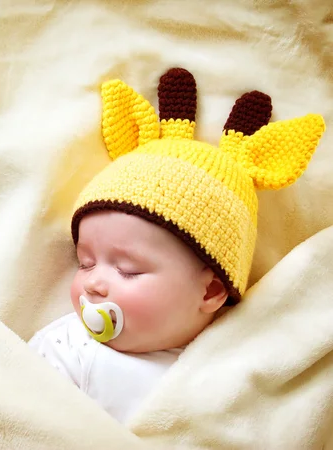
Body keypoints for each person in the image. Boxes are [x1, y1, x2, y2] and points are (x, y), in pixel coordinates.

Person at [29, 67, 325, 423]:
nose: (93, 283)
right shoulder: (67, 348)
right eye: (86, 263)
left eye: (127, 269)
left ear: (211, 290)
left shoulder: (230, 364)